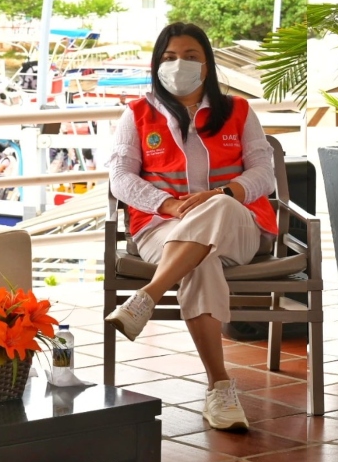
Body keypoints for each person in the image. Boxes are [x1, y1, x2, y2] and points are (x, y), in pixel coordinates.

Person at [105, 22, 276, 431]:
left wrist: (226, 192)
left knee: (218, 207)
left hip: (237, 224)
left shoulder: (238, 110)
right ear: (157, 64)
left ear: (207, 63)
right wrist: (167, 203)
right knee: (201, 263)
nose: (179, 64)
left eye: (190, 56)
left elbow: (264, 172)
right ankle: (220, 388)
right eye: (169, 57)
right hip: (161, 228)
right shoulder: (136, 114)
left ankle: (147, 295)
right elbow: (121, 178)